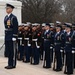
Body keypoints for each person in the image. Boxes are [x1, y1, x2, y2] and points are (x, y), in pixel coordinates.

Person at [4, 3, 18, 69]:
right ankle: (9, 63)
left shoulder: (13, 17)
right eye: (6, 8)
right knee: (9, 51)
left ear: (11, 9)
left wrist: (14, 36)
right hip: (7, 35)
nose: (7, 10)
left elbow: (15, 27)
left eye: (8, 8)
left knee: (13, 51)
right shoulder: (6, 17)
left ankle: (13, 64)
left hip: (12, 35)